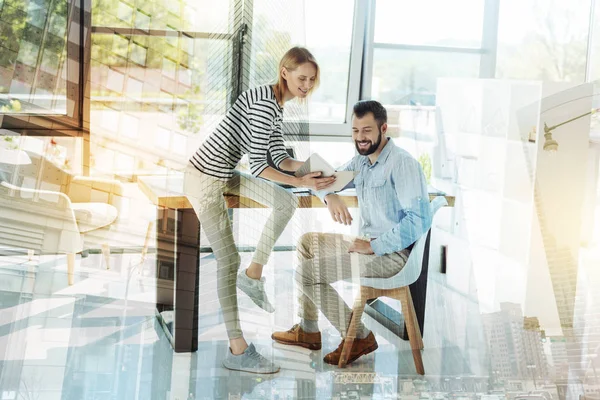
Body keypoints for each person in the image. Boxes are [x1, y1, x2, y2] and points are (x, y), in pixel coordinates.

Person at [184, 47, 336, 374]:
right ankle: (237, 351)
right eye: (301, 78)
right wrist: (306, 181)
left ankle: (253, 275)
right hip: (204, 178)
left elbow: (279, 158)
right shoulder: (265, 104)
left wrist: (314, 171)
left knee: (286, 200)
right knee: (227, 260)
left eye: (311, 80)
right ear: (284, 71)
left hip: (225, 174)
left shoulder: (275, 104)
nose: (307, 85)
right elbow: (258, 165)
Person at [271, 100, 432, 366]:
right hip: (368, 245)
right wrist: (330, 196)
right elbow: (324, 179)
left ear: (384, 128)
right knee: (307, 243)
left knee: (306, 274)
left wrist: (374, 246)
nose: (360, 137)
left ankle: (359, 336)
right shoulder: (362, 161)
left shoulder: (402, 164)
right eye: (356, 131)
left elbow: (419, 220)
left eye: (367, 131)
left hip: (391, 255)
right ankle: (309, 330)